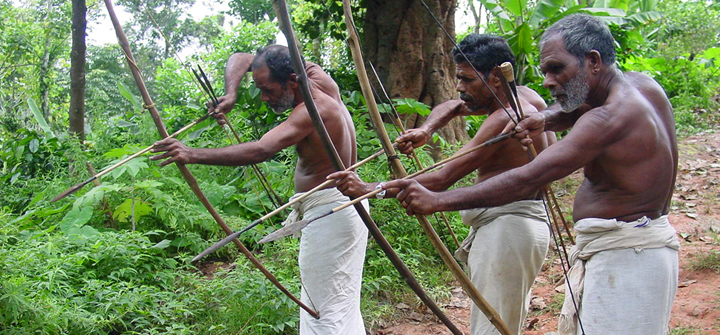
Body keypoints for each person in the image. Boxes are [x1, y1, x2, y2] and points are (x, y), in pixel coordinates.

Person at [384, 14, 680, 335]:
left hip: (627, 258)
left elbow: (529, 177)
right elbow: (571, 110)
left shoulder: (608, 118)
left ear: (592, 61)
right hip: (634, 250)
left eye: (557, 68)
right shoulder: (641, 86)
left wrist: (437, 201)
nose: (549, 81)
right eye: (545, 72)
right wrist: (544, 119)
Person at [329, 34, 552, 335]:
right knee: (496, 325)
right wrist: (426, 129)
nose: (459, 87)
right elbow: (453, 106)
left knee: (493, 329)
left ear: (496, 77)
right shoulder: (525, 96)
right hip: (513, 228)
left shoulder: (507, 117)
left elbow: (443, 177)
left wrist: (371, 187)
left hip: (509, 231)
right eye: (458, 77)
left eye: (467, 79)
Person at [150, 45, 369, 334]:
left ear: (292, 80)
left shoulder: (314, 110)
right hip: (342, 210)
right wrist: (231, 93)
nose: (264, 97)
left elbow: (262, 149)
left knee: (324, 310)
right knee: (338, 304)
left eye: (269, 90)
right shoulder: (317, 77)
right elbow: (242, 58)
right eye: (259, 88)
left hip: (332, 212)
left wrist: (190, 153)